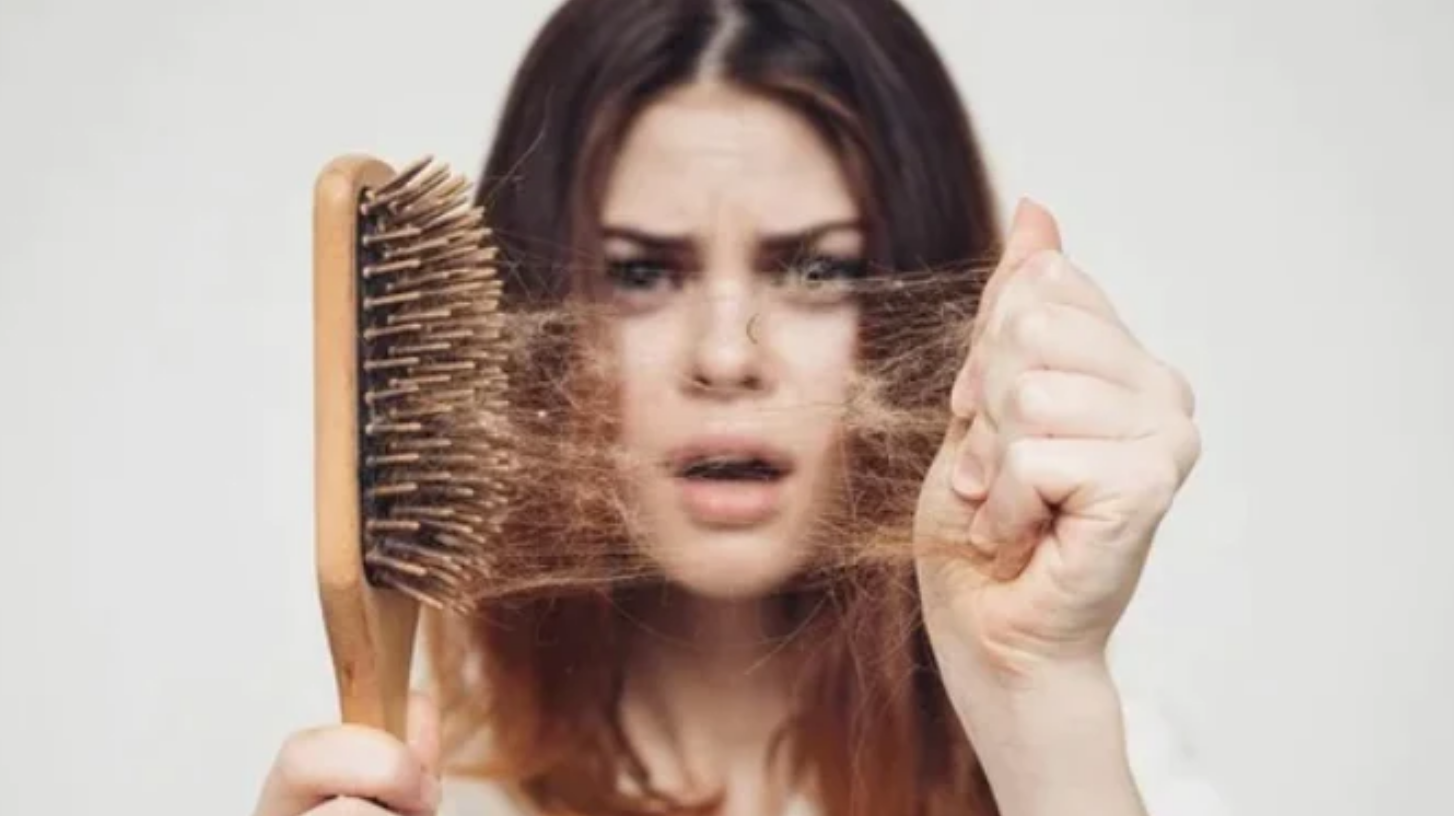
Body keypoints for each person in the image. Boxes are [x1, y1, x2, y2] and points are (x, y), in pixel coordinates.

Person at [255, 0, 1212, 814]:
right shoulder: (416, 791)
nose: (723, 359)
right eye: (637, 272)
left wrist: (1035, 701)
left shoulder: (1093, 768)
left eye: (816, 269)